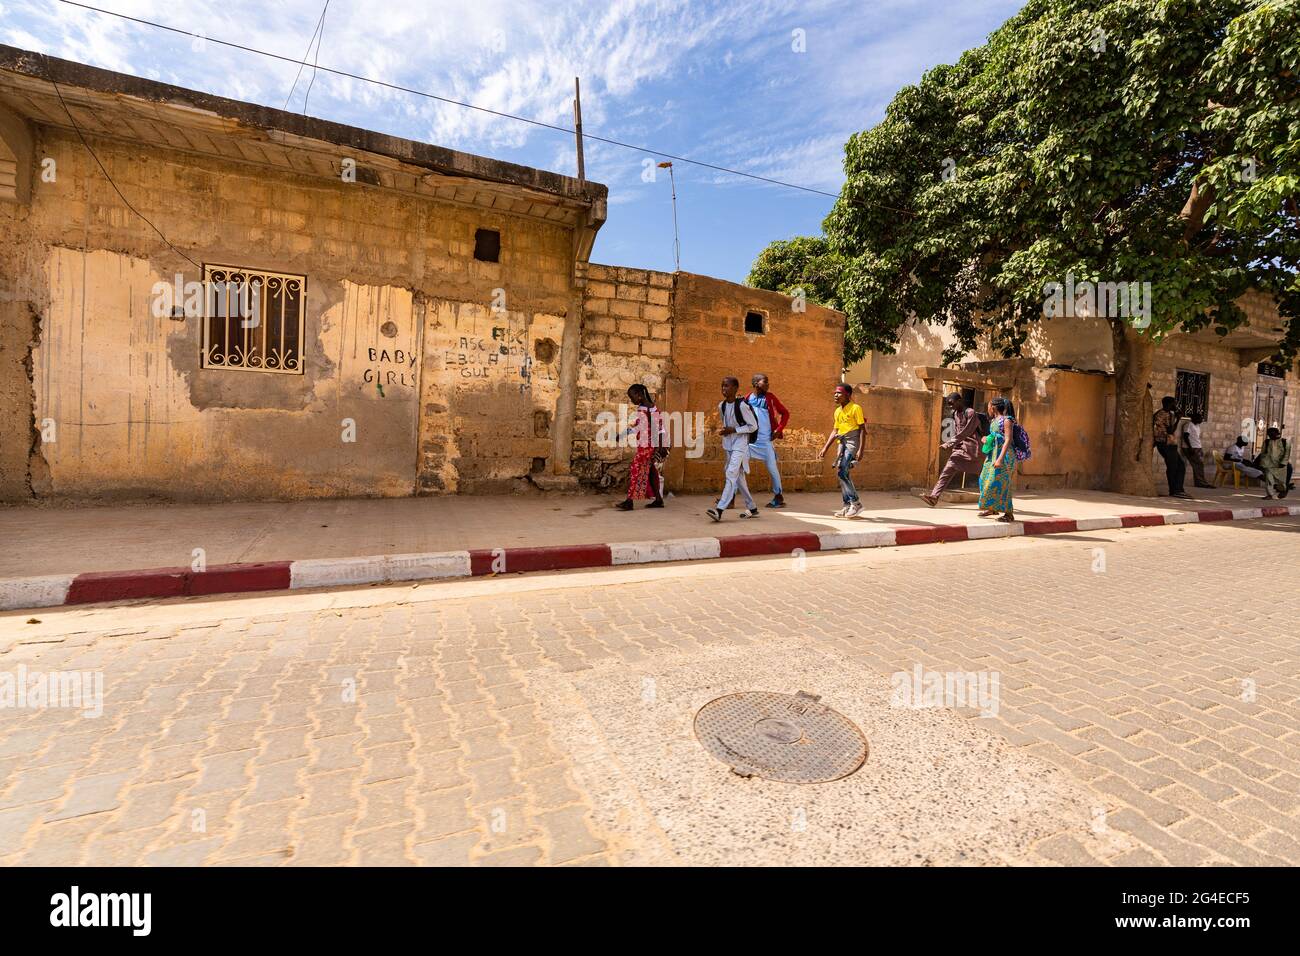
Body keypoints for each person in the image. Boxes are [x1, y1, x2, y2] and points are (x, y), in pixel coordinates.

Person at [706, 377, 760, 522]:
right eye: (722, 386)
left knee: (731, 473)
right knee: (739, 477)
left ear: (735, 388)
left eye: (727, 386)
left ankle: (720, 510)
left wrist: (734, 430)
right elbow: (726, 423)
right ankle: (752, 507)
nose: (724, 389)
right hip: (729, 444)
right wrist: (726, 431)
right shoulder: (721, 406)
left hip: (741, 444)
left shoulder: (742, 406)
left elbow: (753, 426)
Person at [921, 392, 984, 506]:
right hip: (960, 448)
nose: (950, 406)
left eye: (951, 403)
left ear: (959, 401)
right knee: (947, 470)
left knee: (983, 476)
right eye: (948, 405)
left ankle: (988, 501)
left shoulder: (970, 413)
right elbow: (958, 432)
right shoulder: (954, 414)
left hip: (974, 449)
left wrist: (949, 443)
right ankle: (934, 497)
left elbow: (967, 431)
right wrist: (954, 444)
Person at [615, 383, 666, 511]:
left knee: (636, 469)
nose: (631, 400)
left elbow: (659, 429)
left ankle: (629, 501)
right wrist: (624, 434)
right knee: (651, 472)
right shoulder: (642, 408)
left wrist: (661, 446)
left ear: (639, 395)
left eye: (632, 397)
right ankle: (658, 499)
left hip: (648, 447)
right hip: (643, 445)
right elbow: (639, 426)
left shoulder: (650, 408)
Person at [819, 383, 865, 518]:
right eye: (835, 393)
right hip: (842, 442)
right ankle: (846, 506)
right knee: (841, 472)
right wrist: (825, 447)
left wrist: (861, 450)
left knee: (843, 471)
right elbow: (835, 430)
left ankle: (856, 503)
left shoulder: (856, 408)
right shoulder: (837, 411)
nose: (836, 395)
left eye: (839, 393)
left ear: (848, 395)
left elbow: (862, 430)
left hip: (852, 442)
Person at [746, 373, 790, 509]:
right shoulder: (748, 398)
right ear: (755, 384)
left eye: (768, 382)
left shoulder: (770, 398)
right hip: (749, 442)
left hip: (765, 441)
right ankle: (730, 498)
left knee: (772, 468)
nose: (767, 384)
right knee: (738, 468)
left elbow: (785, 413)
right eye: (764, 382)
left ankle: (778, 496)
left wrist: (778, 430)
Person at [977, 397, 1017, 522]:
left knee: (1002, 483)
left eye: (988, 406)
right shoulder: (994, 420)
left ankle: (1009, 514)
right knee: (984, 478)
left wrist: (1000, 459)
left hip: (1004, 456)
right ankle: (992, 508)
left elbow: (1008, 440)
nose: (987, 409)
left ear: (993, 407)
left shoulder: (1007, 420)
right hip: (992, 455)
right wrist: (986, 438)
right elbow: (995, 435)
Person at [1153, 396, 1190, 499]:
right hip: (1164, 443)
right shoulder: (1161, 414)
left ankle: (1178, 489)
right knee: (1173, 467)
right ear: (1168, 404)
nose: (1175, 405)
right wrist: (1178, 419)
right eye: (1173, 403)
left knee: (1180, 466)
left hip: (1170, 443)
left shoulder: (1169, 414)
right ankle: (1174, 490)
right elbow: (1170, 431)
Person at [1255, 427, 1290, 499]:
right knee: (1269, 479)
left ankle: (1283, 490)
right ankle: (1270, 494)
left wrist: (1283, 462)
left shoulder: (1285, 442)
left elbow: (1287, 454)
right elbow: (1263, 453)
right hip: (1269, 464)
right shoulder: (1267, 442)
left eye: (1271, 434)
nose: (1270, 436)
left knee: (1281, 482)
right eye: (1269, 434)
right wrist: (1262, 463)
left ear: (1277, 433)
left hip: (1280, 465)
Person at [1182, 412, 1215, 488]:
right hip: (1191, 448)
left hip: (1197, 447)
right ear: (1195, 418)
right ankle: (1201, 483)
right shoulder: (1189, 425)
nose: (1201, 419)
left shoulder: (1197, 426)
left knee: (1199, 465)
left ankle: (1200, 482)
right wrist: (1190, 448)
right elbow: (1185, 436)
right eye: (1200, 418)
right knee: (1198, 464)